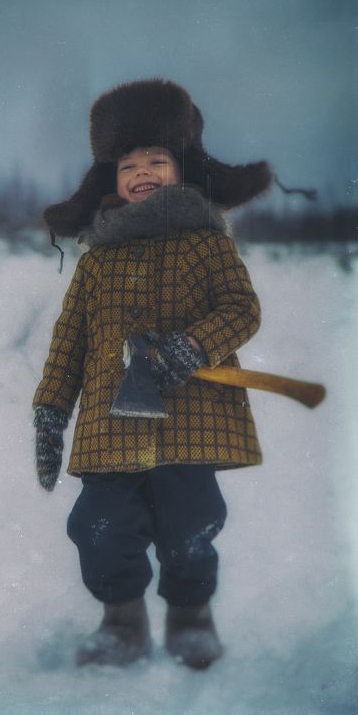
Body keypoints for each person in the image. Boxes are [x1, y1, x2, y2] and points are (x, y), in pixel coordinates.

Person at [32, 79, 272, 669]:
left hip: (189, 419)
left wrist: (195, 346)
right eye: (128, 165)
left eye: (156, 160)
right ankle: (122, 622)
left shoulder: (205, 243)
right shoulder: (96, 261)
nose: (141, 171)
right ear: (110, 180)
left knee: (191, 524)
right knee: (98, 525)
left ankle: (191, 617)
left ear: (182, 168)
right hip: (110, 427)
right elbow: (69, 344)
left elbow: (242, 310)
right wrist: (49, 412)